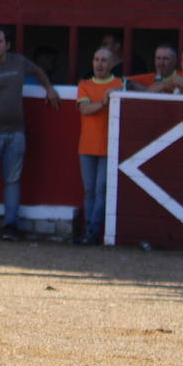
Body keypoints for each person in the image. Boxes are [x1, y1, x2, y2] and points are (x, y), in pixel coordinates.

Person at [0, 27, 61, 240]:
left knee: (12, 180)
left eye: (0, 41)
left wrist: (49, 88)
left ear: (7, 45)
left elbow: (38, 71)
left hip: (15, 132)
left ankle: (10, 226)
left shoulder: (18, 62)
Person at [75, 47, 124, 245]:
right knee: (90, 190)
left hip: (108, 146)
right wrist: (104, 102)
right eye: (96, 59)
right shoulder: (85, 85)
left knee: (100, 190)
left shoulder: (119, 84)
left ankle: (93, 230)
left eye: (104, 60)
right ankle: (90, 229)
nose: (99, 64)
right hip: (87, 146)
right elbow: (85, 109)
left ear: (112, 64)